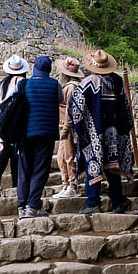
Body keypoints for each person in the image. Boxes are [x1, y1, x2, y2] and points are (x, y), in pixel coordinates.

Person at [69, 49, 134, 215]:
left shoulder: (88, 83)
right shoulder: (118, 83)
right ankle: (117, 202)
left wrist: (79, 129)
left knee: (93, 164)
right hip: (115, 132)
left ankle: (93, 202)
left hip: (94, 133)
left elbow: (76, 110)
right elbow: (127, 109)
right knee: (113, 167)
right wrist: (125, 130)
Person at [17, 55, 63, 219]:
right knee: (40, 169)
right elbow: (60, 100)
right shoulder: (55, 85)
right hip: (46, 133)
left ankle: (22, 207)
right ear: (49, 70)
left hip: (25, 133)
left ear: (34, 68)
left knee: (24, 169)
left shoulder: (24, 84)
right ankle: (33, 206)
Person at [0, 53, 29, 195]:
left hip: (3, 122)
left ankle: (0, 182)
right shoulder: (22, 83)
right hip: (17, 123)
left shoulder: (4, 83)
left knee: (9, 151)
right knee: (13, 151)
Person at [54, 55, 84, 198]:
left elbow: (70, 111)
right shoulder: (71, 87)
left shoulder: (70, 88)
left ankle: (72, 185)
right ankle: (66, 184)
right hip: (65, 125)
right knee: (61, 157)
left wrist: (65, 129)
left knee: (69, 156)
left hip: (68, 126)